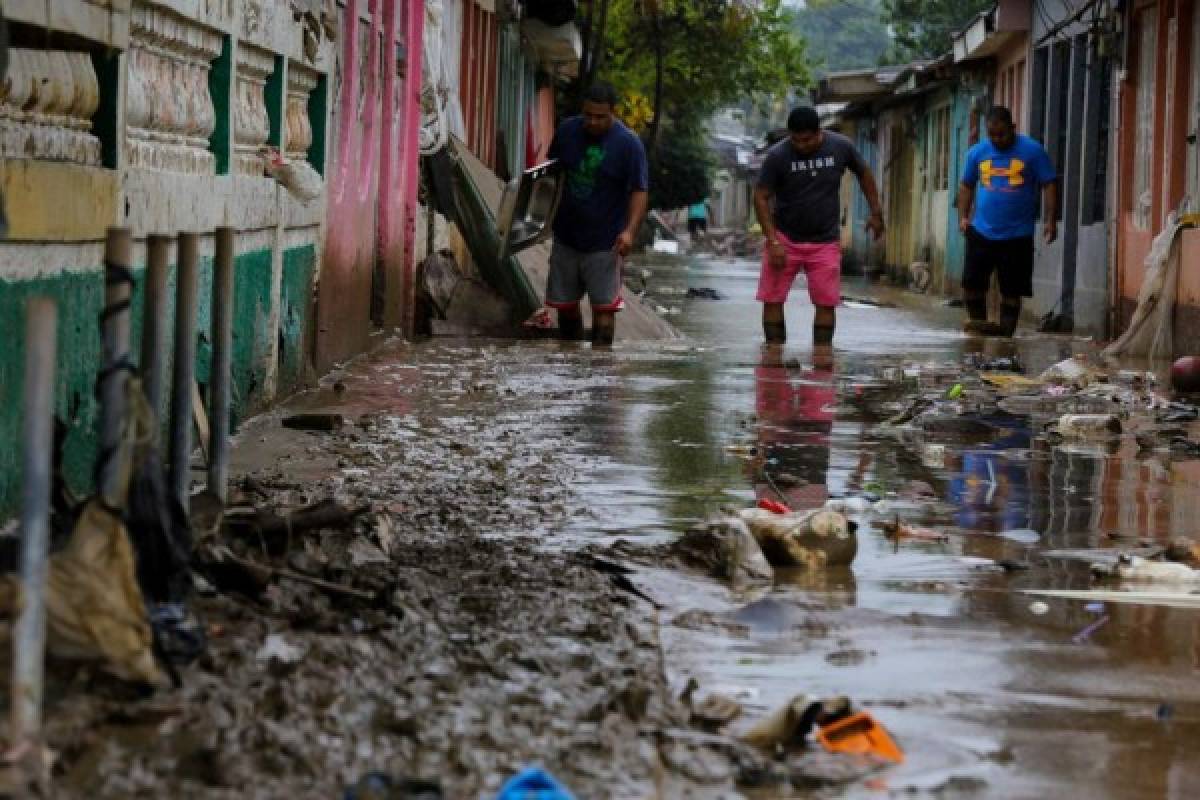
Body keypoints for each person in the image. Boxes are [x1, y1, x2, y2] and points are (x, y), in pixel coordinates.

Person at [753, 106, 885, 346]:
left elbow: (864, 173)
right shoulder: (778, 156)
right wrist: (772, 240)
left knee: (826, 302)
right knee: (772, 298)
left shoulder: (840, 146)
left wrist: (876, 211)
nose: (801, 145)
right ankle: (773, 354)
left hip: (825, 240)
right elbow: (761, 196)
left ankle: (822, 357)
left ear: (819, 133)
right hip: (785, 238)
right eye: (795, 140)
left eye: (806, 140)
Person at [545, 83, 649, 346]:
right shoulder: (567, 131)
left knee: (604, 311)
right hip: (566, 235)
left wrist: (630, 232)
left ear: (612, 113)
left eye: (600, 116)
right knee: (565, 308)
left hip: (606, 241)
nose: (593, 121)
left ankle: (601, 374)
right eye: (588, 115)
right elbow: (550, 175)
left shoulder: (628, 144)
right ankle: (571, 366)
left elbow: (639, 190)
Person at [957, 105, 1058, 337]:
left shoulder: (1033, 151)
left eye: (1002, 134)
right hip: (981, 231)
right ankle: (978, 331)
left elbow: (1049, 184)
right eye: (992, 134)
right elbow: (966, 185)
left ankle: (1005, 338)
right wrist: (963, 216)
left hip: (1017, 235)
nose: (997, 139)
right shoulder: (976, 153)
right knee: (972, 287)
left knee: (1012, 291)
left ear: (1013, 128)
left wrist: (1050, 221)